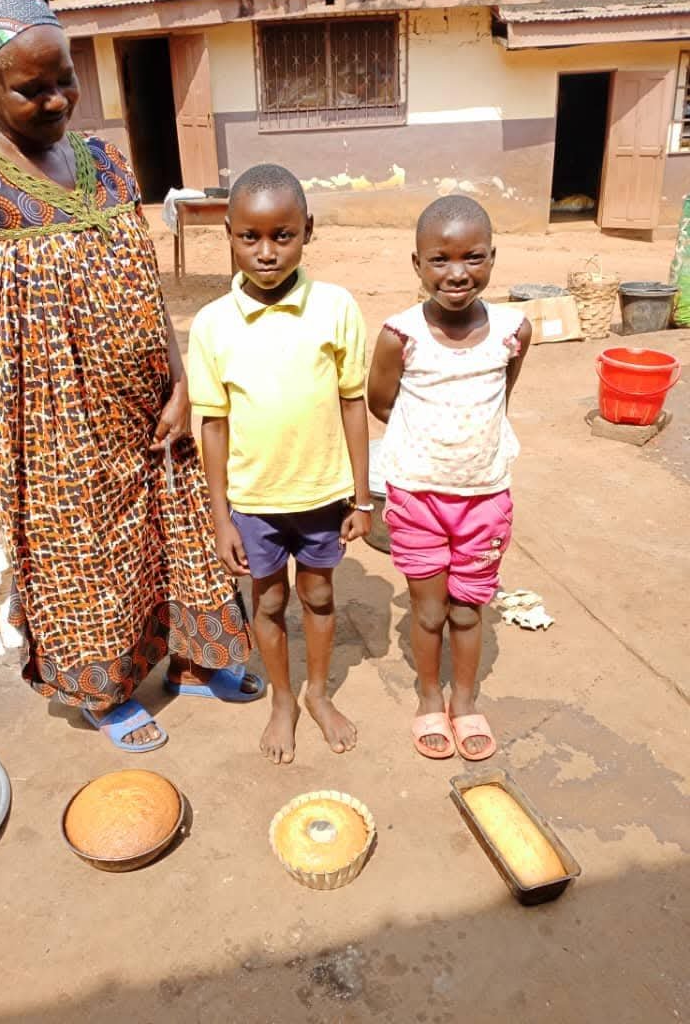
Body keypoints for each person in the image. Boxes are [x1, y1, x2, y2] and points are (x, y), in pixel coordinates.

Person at [0, 0, 260, 753]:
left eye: (66, 81)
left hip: (145, 395)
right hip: (50, 418)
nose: (56, 99)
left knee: (175, 522)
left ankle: (198, 655)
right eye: (31, 88)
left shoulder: (102, 161)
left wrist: (182, 378)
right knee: (81, 552)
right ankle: (106, 688)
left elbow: (141, 277)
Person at [187, 164, 371, 765]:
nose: (266, 253)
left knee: (318, 598)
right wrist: (221, 520)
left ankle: (319, 693)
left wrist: (362, 498)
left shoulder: (336, 308)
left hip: (321, 494)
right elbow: (212, 426)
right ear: (230, 234)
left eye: (283, 235)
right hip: (255, 503)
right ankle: (283, 699)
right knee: (267, 604)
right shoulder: (214, 324)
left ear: (307, 231)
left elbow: (352, 403)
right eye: (250, 237)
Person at [368, 196, 532, 762]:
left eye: (473, 258)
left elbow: (502, 395)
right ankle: (428, 695)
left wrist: (469, 443)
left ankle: (464, 700)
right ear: (416, 263)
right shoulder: (400, 335)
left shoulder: (513, 330)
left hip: (485, 498)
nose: (457, 273)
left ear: (493, 258)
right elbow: (381, 402)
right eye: (439, 259)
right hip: (418, 497)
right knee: (430, 610)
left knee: (469, 609)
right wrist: (432, 443)